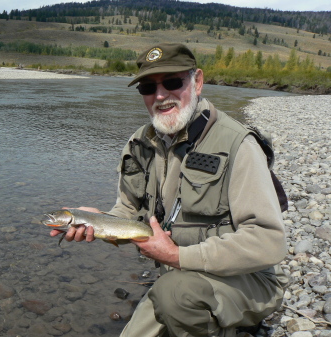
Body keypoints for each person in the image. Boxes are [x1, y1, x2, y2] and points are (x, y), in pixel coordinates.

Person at [50, 43, 288, 337]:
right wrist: (98, 221)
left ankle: (231, 324)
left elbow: (269, 242)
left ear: (198, 81)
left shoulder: (238, 145)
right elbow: (128, 211)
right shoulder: (139, 144)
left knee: (175, 297)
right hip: (177, 276)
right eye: (148, 88)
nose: (160, 96)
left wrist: (177, 257)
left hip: (243, 278)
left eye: (173, 82)